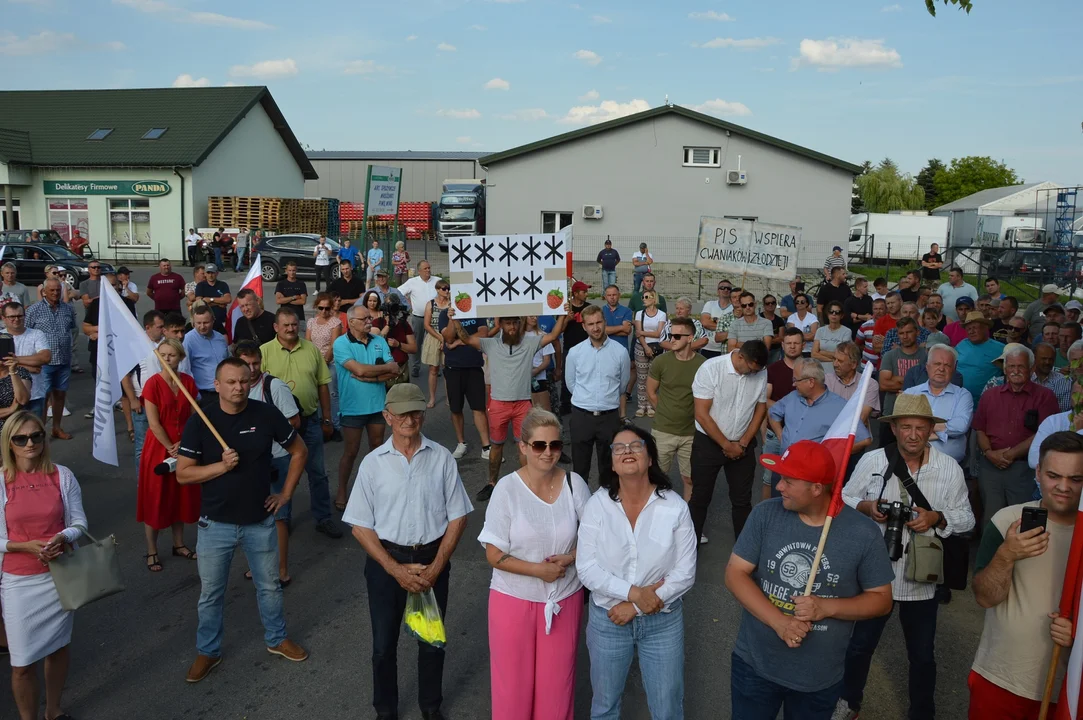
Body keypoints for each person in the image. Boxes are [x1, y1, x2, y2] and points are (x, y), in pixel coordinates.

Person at [725, 440, 893, 720]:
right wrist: (780, 623)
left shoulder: (863, 533)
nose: (779, 486)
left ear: (817, 488)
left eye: (789, 481)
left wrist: (826, 608)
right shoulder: (765, 514)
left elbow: (882, 600)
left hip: (818, 678)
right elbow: (734, 574)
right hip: (754, 666)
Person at [837, 394, 975, 720]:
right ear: (895, 429)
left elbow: (967, 519)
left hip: (921, 580)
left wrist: (936, 518)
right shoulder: (873, 462)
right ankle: (847, 702)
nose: (913, 435)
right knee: (859, 646)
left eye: (920, 428)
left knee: (923, 655)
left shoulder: (949, 469)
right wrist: (866, 507)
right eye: (906, 427)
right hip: (875, 574)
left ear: (931, 431)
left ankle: (922, 712)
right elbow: (843, 496)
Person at [342, 382, 472, 720]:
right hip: (387, 562)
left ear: (423, 414)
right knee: (383, 646)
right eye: (400, 413)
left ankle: (431, 707)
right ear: (387, 416)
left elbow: (458, 517)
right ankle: (385, 710)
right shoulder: (373, 464)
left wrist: (436, 566)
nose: (408, 419)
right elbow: (359, 526)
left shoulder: (441, 458)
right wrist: (394, 569)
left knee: (431, 641)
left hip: (432, 558)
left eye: (414, 411)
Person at [176, 357, 309, 682]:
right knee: (211, 593)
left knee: (270, 587)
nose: (238, 387)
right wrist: (220, 467)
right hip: (214, 524)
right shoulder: (200, 421)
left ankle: (277, 640)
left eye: (243, 381)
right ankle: (208, 651)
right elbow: (183, 474)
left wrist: (286, 495)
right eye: (231, 382)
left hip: (259, 520)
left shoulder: (265, 414)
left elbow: (299, 451)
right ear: (217, 385)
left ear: (251, 381)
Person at [577, 424, 697, 720]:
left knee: (667, 707)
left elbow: (685, 572)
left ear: (651, 458)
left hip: (662, 622)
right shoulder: (597, 506)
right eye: (619, 447)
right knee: (605, 706)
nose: (627, 450)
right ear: (613, 463)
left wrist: (635, 607)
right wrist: (632, 594)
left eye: (636, 445)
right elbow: (586, 568)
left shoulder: (675, 506)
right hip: (608, 620)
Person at [479, 408, 589, 720]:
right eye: (540, 445)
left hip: (564, 599)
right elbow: (493, 554)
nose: (549, 452)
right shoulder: (507, 489)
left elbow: (597, 538)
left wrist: (571, 557)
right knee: (512, 694)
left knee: (557, 694)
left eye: (555, 445)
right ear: (524, 447)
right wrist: (538, 570)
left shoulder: (574, 484)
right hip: (512, 600)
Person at [969, 431, 1083, 719]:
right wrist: (1007, 554)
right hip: (1000, 678)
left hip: (1068, 691)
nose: (1063, 487)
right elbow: (984, 597)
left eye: (1076, 479)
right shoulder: (1007, 520)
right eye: (1054, 475)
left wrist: (1080, 634)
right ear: (1038, 473)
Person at [0, 411, 86, 720]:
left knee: (58, 647)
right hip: (19, 582)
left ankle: (53, 710)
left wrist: (62, 537)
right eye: (21, 438)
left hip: (60, 576)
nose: (30, 443)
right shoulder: (1, 481)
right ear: (9, 443)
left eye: (36, 435)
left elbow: (79, 521)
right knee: (21, 664)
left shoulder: (62, 475)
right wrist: (25, 546)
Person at [446, 306, 568, 502]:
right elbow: (467, 339)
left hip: (522, 404)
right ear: (501, 325)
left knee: (525, 446)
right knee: (496, 446)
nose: (512, 327)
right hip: (498, 404)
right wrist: (455, 319)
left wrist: (562, 313)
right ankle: (492, 483)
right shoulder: (491, 344)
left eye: (515, 323)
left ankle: (526, 485)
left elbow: (554, 334)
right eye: (508, 323)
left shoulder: (530, 343)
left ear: (519, 324)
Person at [260, 308, 341, 539]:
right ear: (276, 327)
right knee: (282, 474)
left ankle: (323, 518)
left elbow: (323, 385)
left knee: (317, 473)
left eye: (294, 324)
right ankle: (281, 520)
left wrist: (327, 419)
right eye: (285, 325)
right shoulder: (264, 352)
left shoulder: (312, 350)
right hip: (278, 427)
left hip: (310, 421)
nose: (290, 328)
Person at [232, 341, 302, 586]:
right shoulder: (235, 390)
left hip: (277, 460)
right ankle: (258, 566)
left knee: (279, 518)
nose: (252, 369)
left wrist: (263, 434)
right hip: (249, 463)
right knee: (252, 516)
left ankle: (281, 571)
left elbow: (294, 421)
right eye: (246, 363)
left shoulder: (274, 386)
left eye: (255, 363)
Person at [689, 341, 769, 542]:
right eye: (751, 369)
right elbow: (701, 414)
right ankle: (688, 551)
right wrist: (727, 445)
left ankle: (744, 552)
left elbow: (760, 408)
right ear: (741, 357)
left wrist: (743, 443)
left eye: (757, 371)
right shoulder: (711, 368)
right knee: (700, 499)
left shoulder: (760, 371)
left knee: (742, 501)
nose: (754, 374)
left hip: (743, 445)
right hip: (708, 444)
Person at [973, 344, 1060, 526]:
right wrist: (989, 453)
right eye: (1011, 366)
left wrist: (1009, 455)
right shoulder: (990, 395)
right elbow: (979, 428)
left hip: (1024, 470)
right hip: (990, 468)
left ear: (1031, 368)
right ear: (1005, 369)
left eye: (1020, 366)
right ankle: (992, 554)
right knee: (991, 519)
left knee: (1022, 519)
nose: (1015, 371)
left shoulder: (1045, 396)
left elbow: (1044, 433)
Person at [136, 337, 200, 572]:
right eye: (163, 354)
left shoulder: (188, 382)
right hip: (158, 448)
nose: (167, 359)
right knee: (156, 498)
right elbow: (153, 423)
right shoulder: (152, 384)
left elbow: (194, 416)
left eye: (171, 355)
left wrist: (184, 443)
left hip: (184, 446)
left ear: (180, 358)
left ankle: (179, 544)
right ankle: (152, 550)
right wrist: (172, 445)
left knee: (179, 496)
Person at [333, 304, 398, 513]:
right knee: (351, 452)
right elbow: (358, 369)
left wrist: (373, 377)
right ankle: (342, 490)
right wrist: (383, 369)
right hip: (352, 408)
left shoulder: (379, 341)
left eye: (370, 318)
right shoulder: (341, 344)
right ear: (351, 322)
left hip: (378, 406)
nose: (370, 321)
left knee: (377, 449)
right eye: (365, 319)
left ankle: (376, 490)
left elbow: (394, 370)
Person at [565, 304, 631, 482]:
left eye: (599, 322)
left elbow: (622, 385)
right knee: (580, 470)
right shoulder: (575, 353)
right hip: (581, 416)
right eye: (591, 324)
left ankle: (606, 506)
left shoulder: (620, 352)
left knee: (609, 470)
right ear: (584, 326)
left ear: (604, 322)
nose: (596, 327)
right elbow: (571, 383)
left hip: (609, 417)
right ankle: (580, 508)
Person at [648, 316, 706, 499]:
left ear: (690, 338)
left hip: (690, 433)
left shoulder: (703, 364)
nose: (671, 339)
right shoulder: (661, 362)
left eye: (677, 336)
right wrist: (664, 412)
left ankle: (687, 520)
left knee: (689, 478)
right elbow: (651, 392)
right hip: (663, 430)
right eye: (671, 335)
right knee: (657, 478)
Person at [768, 357, 871, 460]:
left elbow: (864, 440)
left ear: (811, 382)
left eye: (796, 380)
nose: (793, 384)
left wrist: (830, 455)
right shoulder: (793, 396)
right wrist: (781, 436)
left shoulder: (840, 406)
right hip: (783, 464)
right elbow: (773, 413)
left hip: (811, 472)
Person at [902, 344, 973, 464]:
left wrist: (920, 427)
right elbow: (902, 427)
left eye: (947, 365)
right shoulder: (910, 393)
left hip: (948, 465)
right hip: (912, 463)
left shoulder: (963, 395)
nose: (941, 369)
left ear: (953, 369)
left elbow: (960, 426)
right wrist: (942, 431)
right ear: (927, 366)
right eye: (937, 364)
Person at [25, 279, 77, 440]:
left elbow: (72, 328)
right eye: (52, 290)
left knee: (60, 395)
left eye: (57, 290)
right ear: (44, 292)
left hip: (63, 360)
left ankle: (56, 427)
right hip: (45, 363)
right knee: (43, 398)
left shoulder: (67, 309)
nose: (55, 293)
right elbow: (27, 333)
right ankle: (38, 431)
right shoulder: (34, 310)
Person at [437, 304, 490, 460]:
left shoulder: (476, 310)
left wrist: (458, 342)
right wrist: (454, 319)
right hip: (453, 367)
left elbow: (483, 335)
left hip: (474, 366)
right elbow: (448, 337)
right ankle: (461, 443)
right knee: (455, 408)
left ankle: (486, 446)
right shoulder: (445, 314)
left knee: (479, 407)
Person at [762, 328, 805, 500]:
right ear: (782, 345)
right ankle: (764, 517)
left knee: (799, 479)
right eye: (789, 343)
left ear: (803, 345)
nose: (792, 347)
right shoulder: (772, 369)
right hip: (775, 434)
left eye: (796, 343)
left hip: (803, 434)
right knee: (768, 479)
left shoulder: (811, 369)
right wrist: (791, 410)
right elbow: (765, 400)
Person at [878, 318, 928, 445]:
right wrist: (913, 383)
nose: (905, 336)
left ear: (917, 332)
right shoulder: (890, 355)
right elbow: (883, 384)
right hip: (891, 413)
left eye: (908, 332)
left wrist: (896, 379)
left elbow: (928, 384)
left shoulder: (926, 355)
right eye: (901, 333)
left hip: (918, 414)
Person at [2, 302, 50, 418]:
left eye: (20, 316)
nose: (16, 319)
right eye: (12, 317)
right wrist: (30, 366)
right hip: (6, 398)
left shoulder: (37, 334)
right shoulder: (0, 336)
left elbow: (45, 357)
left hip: (35, 395)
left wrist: (15, 360)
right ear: (3, 318)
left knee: (36, 433)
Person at [305, 292, 343, 438]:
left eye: (327, 308)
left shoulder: (335, 323)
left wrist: (323, 363)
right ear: (316, 307)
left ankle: (336, 426)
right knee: (315, 396)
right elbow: (308, 343)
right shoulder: (311, 322)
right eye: (321, 308)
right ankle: (320, 425)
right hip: (313, 362)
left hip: (329, 363)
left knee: (332, 395)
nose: (324, 311)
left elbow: (333, 346)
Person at [398, 261, 441, 379]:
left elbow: (447, 291)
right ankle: (416, 366)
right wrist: (407, 304)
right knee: (417, 342)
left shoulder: (437, 280)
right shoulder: (412, 282)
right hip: (419, 318)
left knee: (435, 343)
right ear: (419, 271)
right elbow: (398, 292)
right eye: (425, 268)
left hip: (434, 319)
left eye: (429, 268)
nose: (428, 270)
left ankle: (435, 365)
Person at [956, 310, 1006, 405]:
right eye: (968, 329)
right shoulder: (961, 345)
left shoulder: (1000, 349)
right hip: (959, 401)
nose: (971, 331)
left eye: (975, 327)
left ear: (985, 328)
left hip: (986, 402)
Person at [183, 305, 229, 405]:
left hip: (224, 392)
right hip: (204, 394)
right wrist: (196, 395)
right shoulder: (188, 340)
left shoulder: (220, 338)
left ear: (213, 320)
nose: (202, 326)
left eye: (206, 322)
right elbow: (185, 369)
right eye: (198, 323)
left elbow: (227, 362)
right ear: (193, 323)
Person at [825, 341, 879, 425]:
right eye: (834, 359)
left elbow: (861, 418)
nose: (835, 364)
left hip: (857, 436)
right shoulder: (825, 380)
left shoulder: (869, 384)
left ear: (853, 364)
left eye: (840, 361)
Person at [633, 290, 667, 417]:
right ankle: (642, 406)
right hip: (642, 347)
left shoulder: (662, 314)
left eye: (647, 297)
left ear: (654, 299)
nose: (644, 299)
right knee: (641, 378)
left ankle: (651, 405)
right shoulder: (639, 314)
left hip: (657, 347)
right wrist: (645, 346)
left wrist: (643, 332)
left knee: (653, 378)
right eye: (643, 297)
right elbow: (637, 332)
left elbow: (659, 333)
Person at [373, 295, 417, 387]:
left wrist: (399, 345)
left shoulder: (404, 324)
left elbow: (414, 348)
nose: (391, 308)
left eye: (394, 305)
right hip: (384, 370)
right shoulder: (377, 322)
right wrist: (388, 325)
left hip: (401, 369)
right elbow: (374, 344)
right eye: (389, 305)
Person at [421, 280, 452, 408]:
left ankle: (450, 397)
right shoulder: (431, 304)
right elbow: (427, 325)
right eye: (444, 289)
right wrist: (440, 337)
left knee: (447, 369)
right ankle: (432, 398)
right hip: (434, 337)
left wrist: (446, 338)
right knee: (433, 369)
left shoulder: (451, 304)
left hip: (448, 337)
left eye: (448, 288)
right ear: (437, 290)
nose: (447, 291)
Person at [524, 315, 555, 409]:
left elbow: (547, 360)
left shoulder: (543, 335)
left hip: (539, 378)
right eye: (531, 316)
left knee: (543, 411)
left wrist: (535, 371)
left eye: (536, 316)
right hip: (521, 379)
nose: (535, 318)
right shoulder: (517, 336)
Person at [811, 300, 851, 372]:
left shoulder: (847, 332)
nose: (834, 314)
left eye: (837, 312)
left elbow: (842, 355)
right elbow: (813, 354)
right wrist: (831, 359)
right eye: (831, 311)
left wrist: (822, 352)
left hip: (838, 370)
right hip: (821, 370)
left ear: (841, 315)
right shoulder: (820, 331)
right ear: (827, 314)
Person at [699, 279, 735, 359]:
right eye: (722, 287)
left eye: (728, 288)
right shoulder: (710, 304)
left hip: (725, 349)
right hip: (707, 347)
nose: (725, 290)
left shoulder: (734, 308)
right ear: (718, 291)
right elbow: (705, 323)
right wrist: (726, 328)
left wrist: (714, 322)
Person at [1033, 342, 1073, 412]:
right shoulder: (1025, 379)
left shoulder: (1064, 382)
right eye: (1044, 358)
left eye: (1051, 359)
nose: (1048, 362)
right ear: (1034, 358)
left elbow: (1063, 413)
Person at [194, 264, 231, 334]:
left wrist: (210, 300)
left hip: (221, 320)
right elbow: (200, 302)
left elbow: (228, 299)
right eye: (208, 273)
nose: (210, 275)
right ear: (205, 273)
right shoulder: (200, 286)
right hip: (205, 323)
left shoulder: (223, 285)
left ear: (217, 273)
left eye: (212, 273)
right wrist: (219, 302)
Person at [274, 260, 309, 328]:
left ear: (296, 271)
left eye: (293, 270)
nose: (292, 273)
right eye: (290, 270)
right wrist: (294, 297)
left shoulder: (301, 284)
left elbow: (303, 301)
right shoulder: (281, 284)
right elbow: (278, 301)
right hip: (284, 318)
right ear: (286, 271)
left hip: (299, 318)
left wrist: (285, 299)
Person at [857, 298, 887, 369]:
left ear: (886, 309)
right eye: (875, 309)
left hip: (883, 367)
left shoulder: (890, 325)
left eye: (881, 309)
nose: (878, 311)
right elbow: (857, 343)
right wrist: (868, 350)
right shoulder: (865, 325)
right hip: (865, 366)